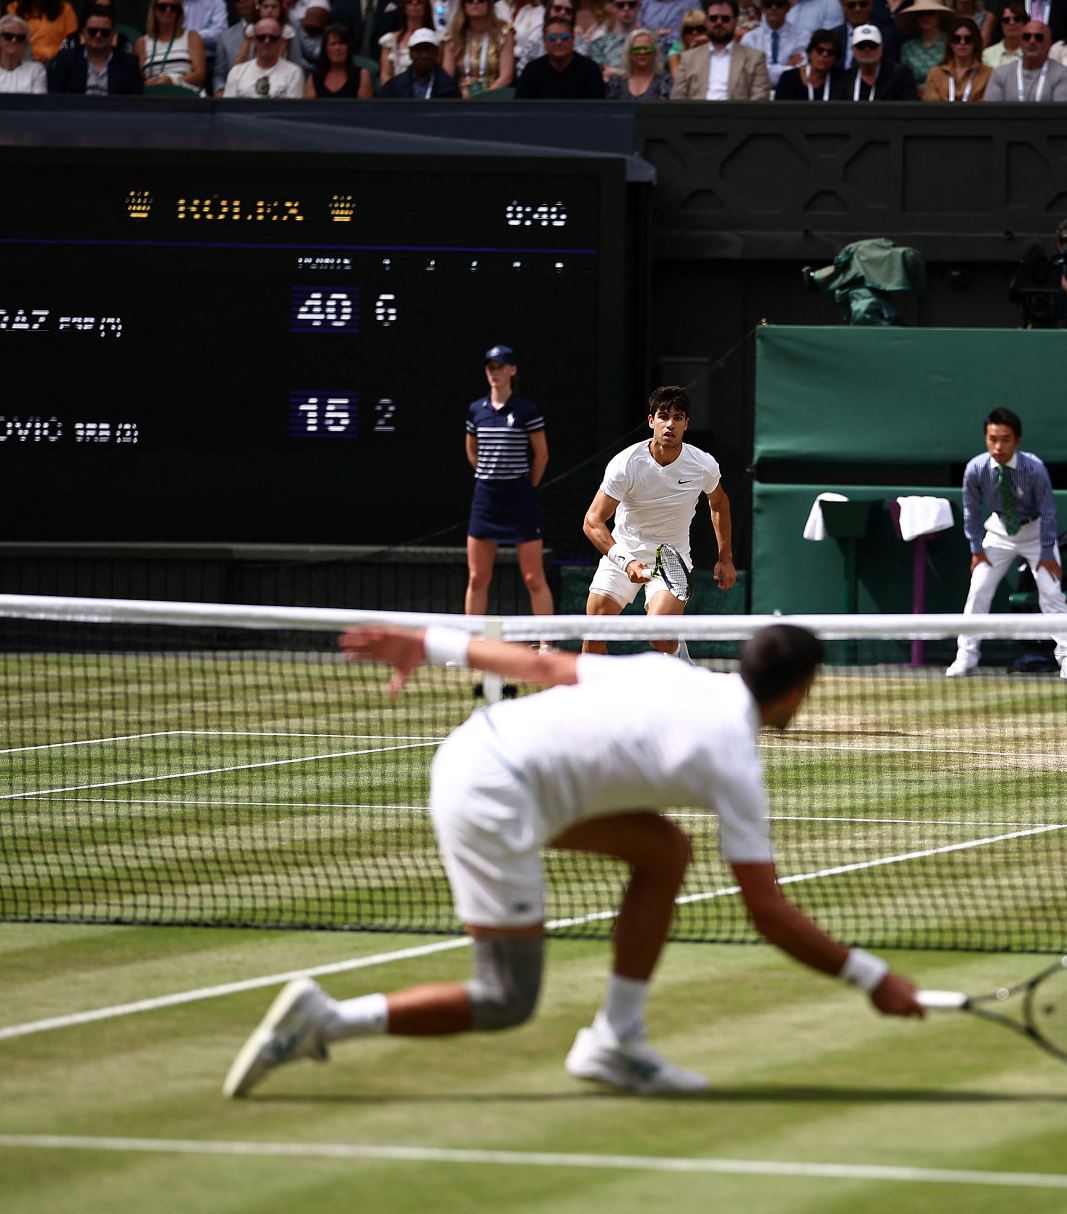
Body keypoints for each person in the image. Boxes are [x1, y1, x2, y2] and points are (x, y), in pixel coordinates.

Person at [222, 622, 925, 1100]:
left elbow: (538, 666)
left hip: (478, 747)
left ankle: (616, 1040)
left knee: (664, 851)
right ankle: (325, 1019)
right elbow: (765, 911)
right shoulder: (735, 763)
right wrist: (872, 977)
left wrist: (425, 641)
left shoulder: (670, 674)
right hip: (494, 795)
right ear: (799, 688)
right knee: (505, 998)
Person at [580, 387, 734, 660]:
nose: (670, 424)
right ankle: (596, 697)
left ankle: (676, 651)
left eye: (678, 418)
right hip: (623, 555)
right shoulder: (625, 464)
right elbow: (592, 521)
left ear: (686, 424)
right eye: (663, 416)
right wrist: (626, 561)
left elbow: (719, 503)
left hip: (671, 561)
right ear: (651, 421)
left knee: (660, 638)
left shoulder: (702, 465)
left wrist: (725, 557)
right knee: (594, 634)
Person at [948, 408, 1067, 681]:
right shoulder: (975, 469)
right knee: (978, 589)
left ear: (1017, 441)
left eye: (1005, 439)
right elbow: (971, 511)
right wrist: (976, 549)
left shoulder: (1034, 469)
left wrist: (1046, 552)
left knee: (1051, 593)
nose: (998, 446)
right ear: (986, 438)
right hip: (998, 532)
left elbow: (1048, 512)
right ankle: (966, 656)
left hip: (1035, 533)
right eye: (993, 438)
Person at [462, 344, 552, 620]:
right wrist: (490, 476)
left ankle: (547, 644)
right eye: (490, 367)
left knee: (533, 577)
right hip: (485, 500)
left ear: (512, 370)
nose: (494, 372)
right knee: (477, 578)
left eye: (500, 366)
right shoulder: (476, 410)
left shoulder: (526, 410)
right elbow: (472, 451)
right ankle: (473, 645)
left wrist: (525, 486)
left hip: (519, 498)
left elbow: (542, 456)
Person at [671, 0, 772, 96]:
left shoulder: (755, 58)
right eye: (713, 18)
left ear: (735, 22)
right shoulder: (688, 59)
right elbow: (678, 99)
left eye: (725, 18)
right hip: (697, 113)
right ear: (706, 21)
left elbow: (759, 99)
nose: (719, 22)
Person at [517, 10, 607, 89]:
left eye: (565, 37)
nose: (559, 42)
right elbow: (521, 107)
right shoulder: (532, 71)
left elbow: (595, 108)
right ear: (545, 42)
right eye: (552, 38)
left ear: (573, 40)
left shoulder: (590, 70)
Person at [983, 16, 1067, 93]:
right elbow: (993, 112)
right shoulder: (1000, 74)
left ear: (1049, 44)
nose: (1032, 41)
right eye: (1027, 37)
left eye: (1039, 37)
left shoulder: (1063, 75)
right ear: (1021, 42)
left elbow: (1062, 113)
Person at [444, 0, 513, 94]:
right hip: (462, 97)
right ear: (463, 6)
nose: (475, 2)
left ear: (489, 4)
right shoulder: (454, 35)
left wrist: (484, 97)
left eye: (481, 0)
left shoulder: (503, 34)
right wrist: (460, 93)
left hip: (495, 96)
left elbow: (506, 76)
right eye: (470, 1)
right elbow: (446, 77)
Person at [222, 13, 304, 89]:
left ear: (280, 41)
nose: (267, 41)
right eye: (261, 38)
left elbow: (292, 105)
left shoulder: (294, 73)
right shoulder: (237, 73)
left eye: (273, 38)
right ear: (254, 40)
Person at [137, 0, 206, 89]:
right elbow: (139, 77)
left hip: (186, 93)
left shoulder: (191, 37)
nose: (168, 11)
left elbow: (200, 74)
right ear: (154, 10)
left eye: (173, 8)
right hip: (153, 94)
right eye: (162, 7)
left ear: (179, 12)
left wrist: (172, 81)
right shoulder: (142, 42)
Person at [836, 20, 918, 94]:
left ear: (881, 48)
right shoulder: (846, 79)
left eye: (872, 45)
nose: (867, 49)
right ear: (853, 50)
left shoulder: (900, 76)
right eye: (861, 46)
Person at [922, 13, 991, 95]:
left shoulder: (988, 74)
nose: (962, 43)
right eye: (956, 39)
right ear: (950, 43)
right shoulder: (935, 74)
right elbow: (931, 104)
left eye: (968, 39)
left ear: (975, 42)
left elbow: (987, 105)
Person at [740, 0, 809, 80]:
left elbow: (801, 71)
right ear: (762, 9)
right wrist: (787, 68)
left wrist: (763, 68)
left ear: (788, 8)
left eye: (779, 4)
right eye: (768, 4)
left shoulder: (802, 37)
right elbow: (749, 72)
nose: (774, 8)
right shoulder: (750, 39)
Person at [0, 11, 47, 84]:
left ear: (25, 43)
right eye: (8, 36)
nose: (14, 40)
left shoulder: (36, 70)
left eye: (20, 37)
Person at [304, 20, 371, 91]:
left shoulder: (362, 75)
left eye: (341, 43)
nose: (337, 48)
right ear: (325, 49)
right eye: (333, 44)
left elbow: (365, 102)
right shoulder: (314, 77)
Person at [895, 0, 950, 83]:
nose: (925, 17)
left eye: (930, 13)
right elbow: (904, 78)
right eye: (920, 14)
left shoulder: (951, 42)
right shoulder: (908, 48)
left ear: (939, 16)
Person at [603, 24, 670, 91]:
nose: (642, 52)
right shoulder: (617, 82)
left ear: (654, 52)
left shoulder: (665, 81)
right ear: (629, 53)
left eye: (647, 49)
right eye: (637, 49)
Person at [772, 22, 837, 91]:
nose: (824, 55)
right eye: (819, 50)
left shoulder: (840, 80)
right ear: (810, 53)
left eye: (830, 52)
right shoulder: (789, 78)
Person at [376, 0, 429, 82]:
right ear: (404, 7)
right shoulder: (390, 39)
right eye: (409, 1)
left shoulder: (437, 39)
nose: (414, 3)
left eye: (420, 1)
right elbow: (385, 75)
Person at [6, 0, 76, 62]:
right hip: (24, 61)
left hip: (57, 63)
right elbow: (10, 39)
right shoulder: (14, 8)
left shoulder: (65, 8)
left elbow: (71, 41)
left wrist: (55, 56)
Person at [984, 0, 1028, 65]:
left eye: (1017, 19)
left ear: (1024, 23)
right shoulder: (987, 54)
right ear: (1000, 24)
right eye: (1006, 20)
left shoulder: (1031, 51)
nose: (1011, 23)